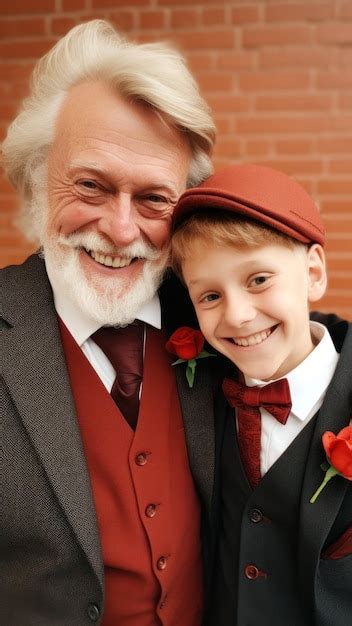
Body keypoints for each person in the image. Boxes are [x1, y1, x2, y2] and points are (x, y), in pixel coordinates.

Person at [0, 19, 217, 626]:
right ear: (39, 180)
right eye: (91, 185)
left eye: (153, 199)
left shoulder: (221, 322)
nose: (122, 231)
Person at [170, 163, 352, 626]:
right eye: (209, 296)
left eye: (258, 280)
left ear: (312, 273)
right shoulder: (196, 396)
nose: (238, 315)